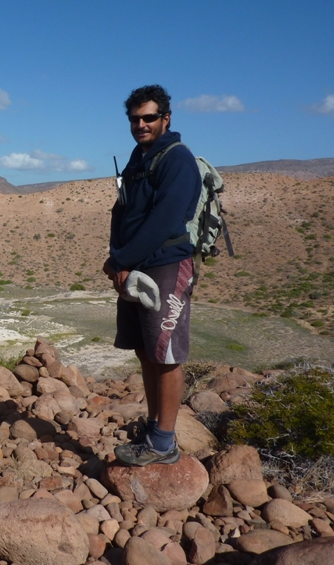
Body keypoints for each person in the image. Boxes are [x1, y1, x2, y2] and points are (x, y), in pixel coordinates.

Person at [103, 84, 201, 466]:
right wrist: (118, 258)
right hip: (135, 266)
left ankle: (164, 442)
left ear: (166, 118)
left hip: (166, 265)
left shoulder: (178, 160)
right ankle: (154, 426)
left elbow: (164, 221)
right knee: (145, 351)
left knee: (167, 355)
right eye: (134, 119)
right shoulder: (138, 158)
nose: (141, 124)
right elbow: (123, 211)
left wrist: (121, 259)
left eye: (148, 117)